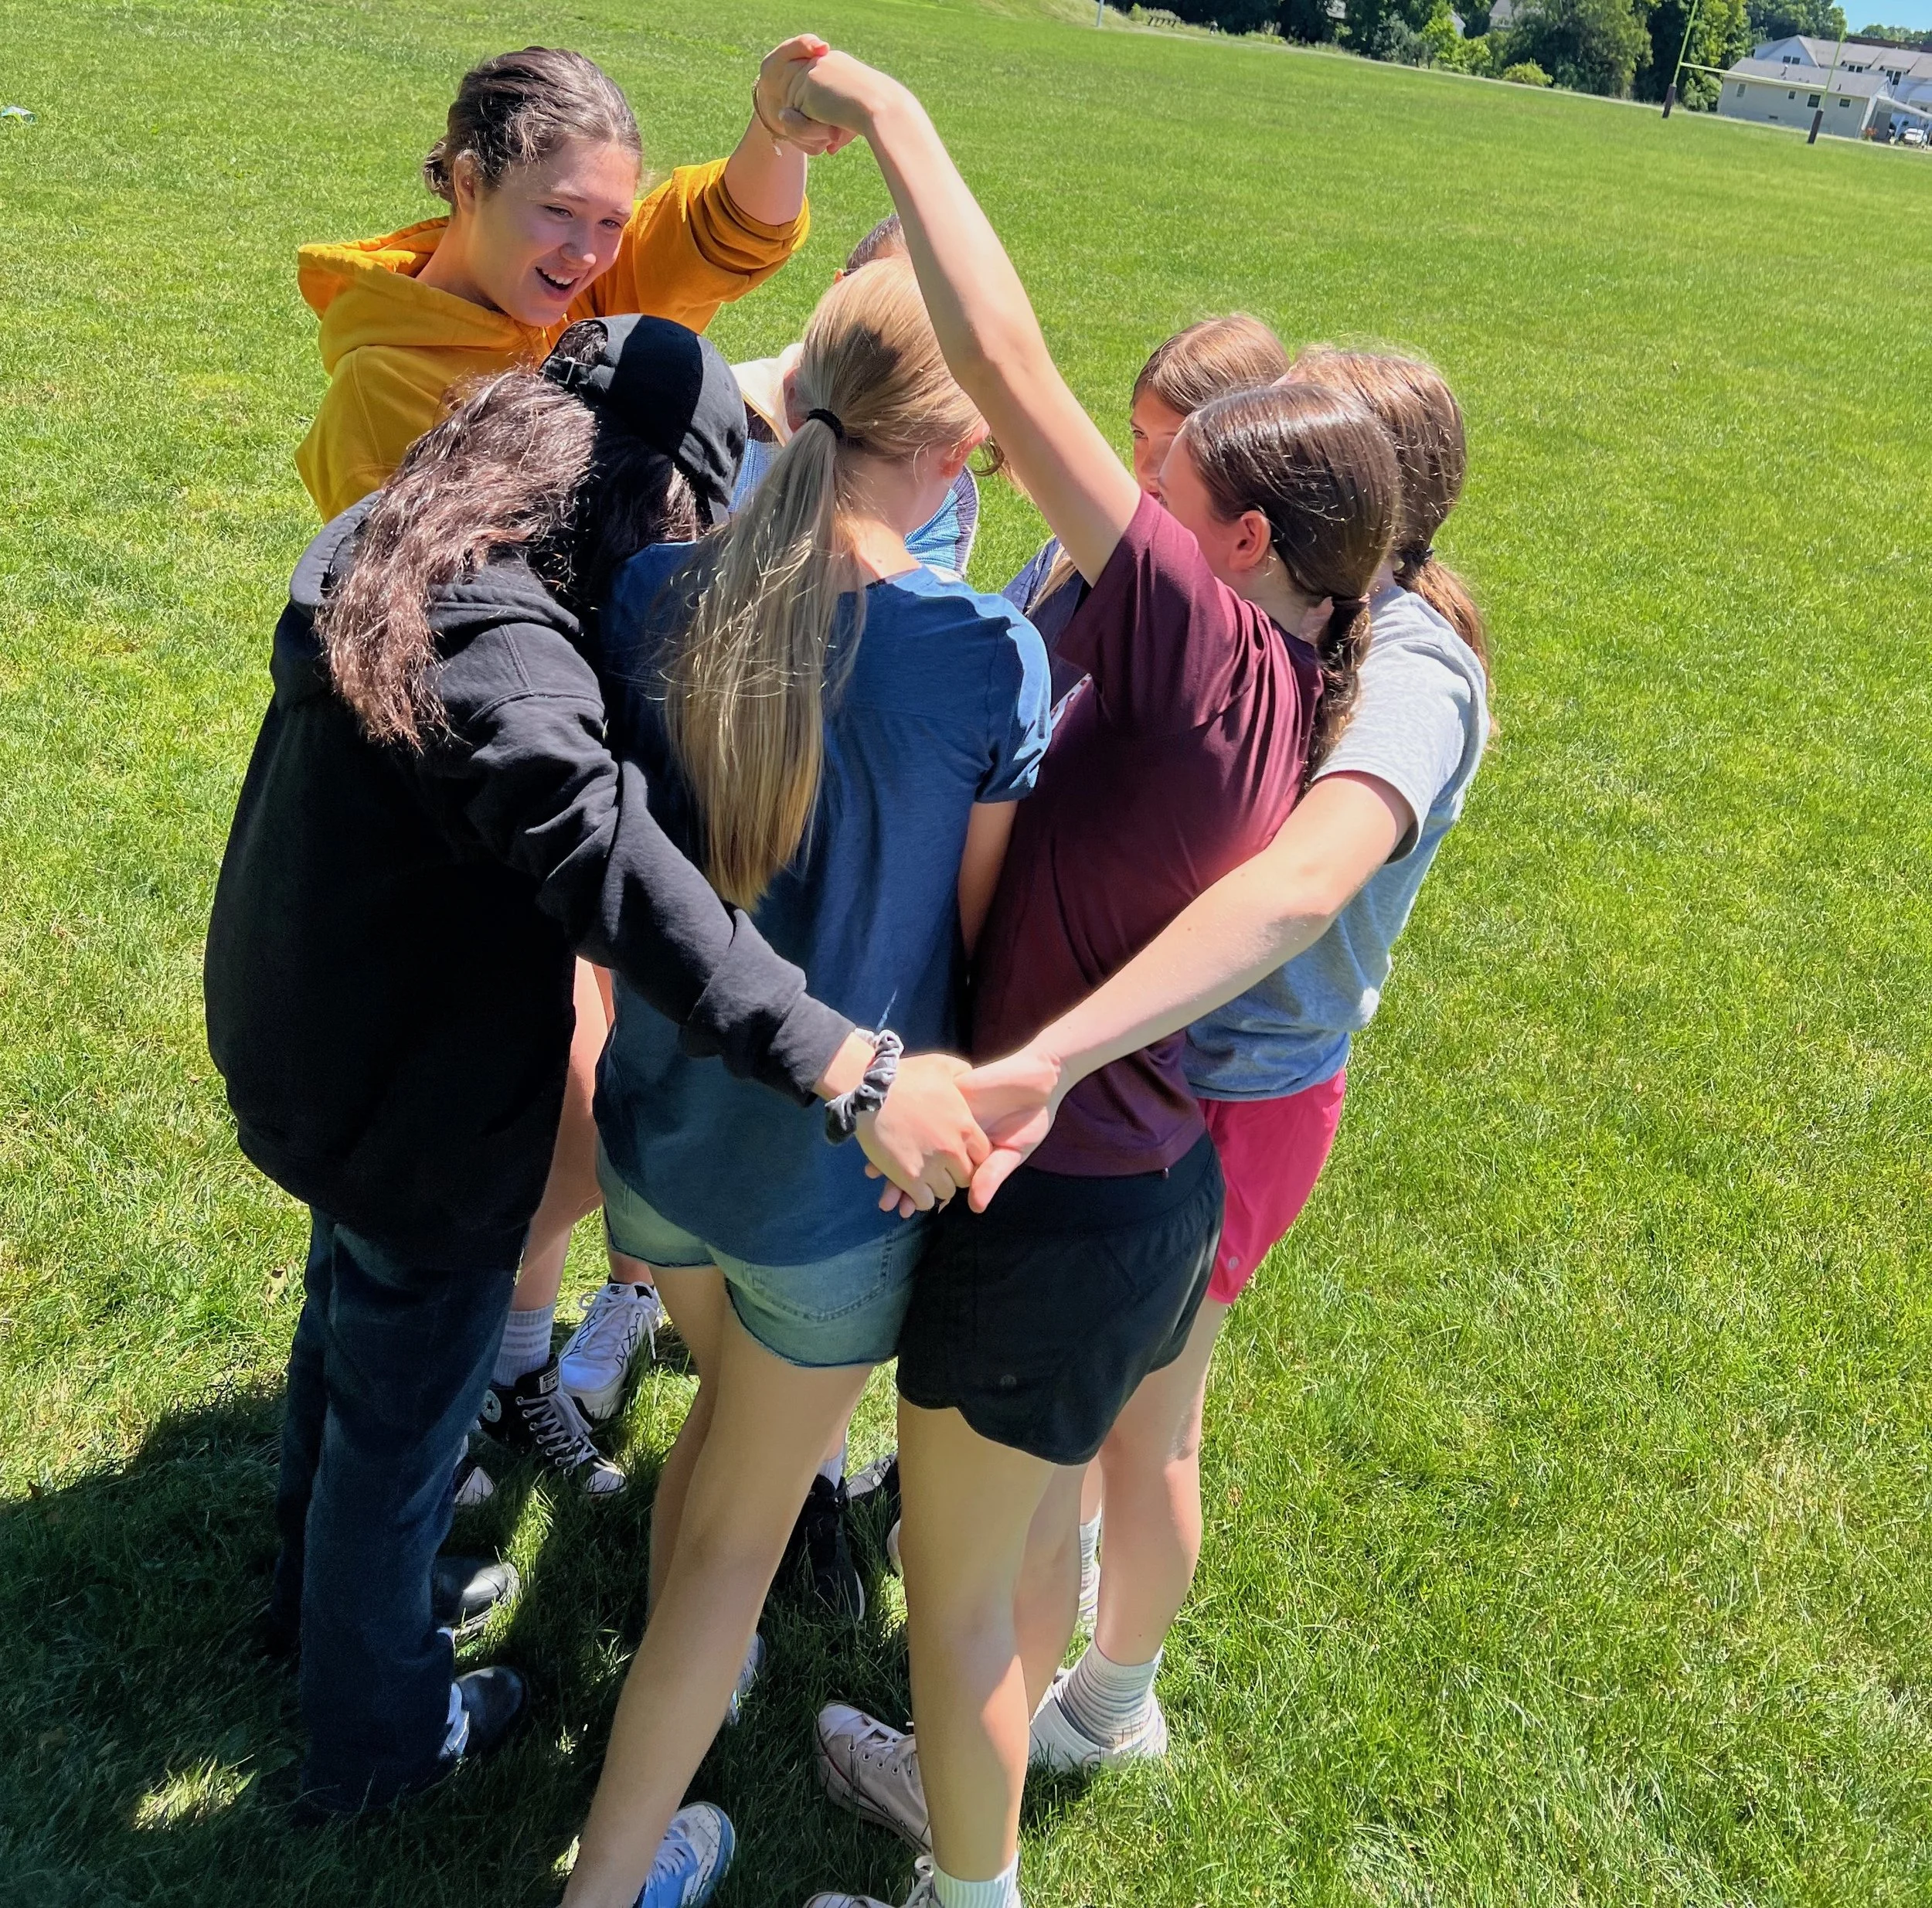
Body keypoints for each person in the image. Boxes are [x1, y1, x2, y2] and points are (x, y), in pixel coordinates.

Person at [205, 313, 984, 1836]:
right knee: (403, 1404)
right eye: (686, 514)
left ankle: (309, 1607)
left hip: (301, 1024)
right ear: (629, 488)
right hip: (411, 1084)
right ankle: (379, 1730)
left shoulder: (408, 518)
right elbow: (603, 852)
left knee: (346, 1320)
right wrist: (832, 1050)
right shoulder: (497, 638)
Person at [766, 50, 1401, 1908]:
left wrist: (898, 117)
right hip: (1148, 1194)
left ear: (1249, 541)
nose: (1131, 482)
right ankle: (978, 1802)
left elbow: (1013, 362)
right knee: (1023, 1540)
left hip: (1062, 1216)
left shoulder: (1202, 638)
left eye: (1168, 475)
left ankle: (973, 1883)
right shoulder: (1292, 669)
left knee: (954, 1606)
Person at [554, 256, 1051, 1908]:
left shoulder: (655, 595)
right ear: (958, 451)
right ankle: (613, 1875)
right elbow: (978, 949)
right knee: (727, 1551)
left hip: (651, 1146)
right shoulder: (984, 653)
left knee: (721, 1450)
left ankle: (678, 1699)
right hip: (829, 1190)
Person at [292, 39, 837, 1492]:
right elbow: (466, 626)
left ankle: (497, 1361)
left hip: (565, 756)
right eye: (559, 216)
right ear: (467, 181)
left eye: (607, 222)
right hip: (465, 799)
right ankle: (427, 1396)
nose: (593, 254)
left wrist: (776, 125)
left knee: (543, 1116)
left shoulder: (582, 286)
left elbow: (722, 227)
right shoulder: (393, 379)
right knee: (497, 1120)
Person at [940, 346, 1491, 1782]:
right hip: (1184, 1074)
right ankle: (1085, 1688)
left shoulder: (1411, 666)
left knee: (1129, 1435)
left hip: (1225, 1088)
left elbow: (1300, 886)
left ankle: (1084, 1703)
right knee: (1126, 1423)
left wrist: (1057, 1049)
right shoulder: (1310, 617)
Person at [733, 213, 985, 576]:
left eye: (932, 320)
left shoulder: (943, 483)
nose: (902, 332)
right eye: (876, 298)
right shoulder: (726, 411)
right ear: (838, 291)